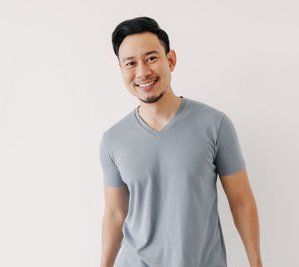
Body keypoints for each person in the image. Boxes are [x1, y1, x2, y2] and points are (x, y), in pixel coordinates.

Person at [99, 16, 263, 267]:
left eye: (151, 58)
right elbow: (114, 214)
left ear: (171, 60)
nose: (142, 71)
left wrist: (256, 263)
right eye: (131, 63)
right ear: (121, 70)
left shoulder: (215, 124)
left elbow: (241, 201)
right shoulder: (113, 140)